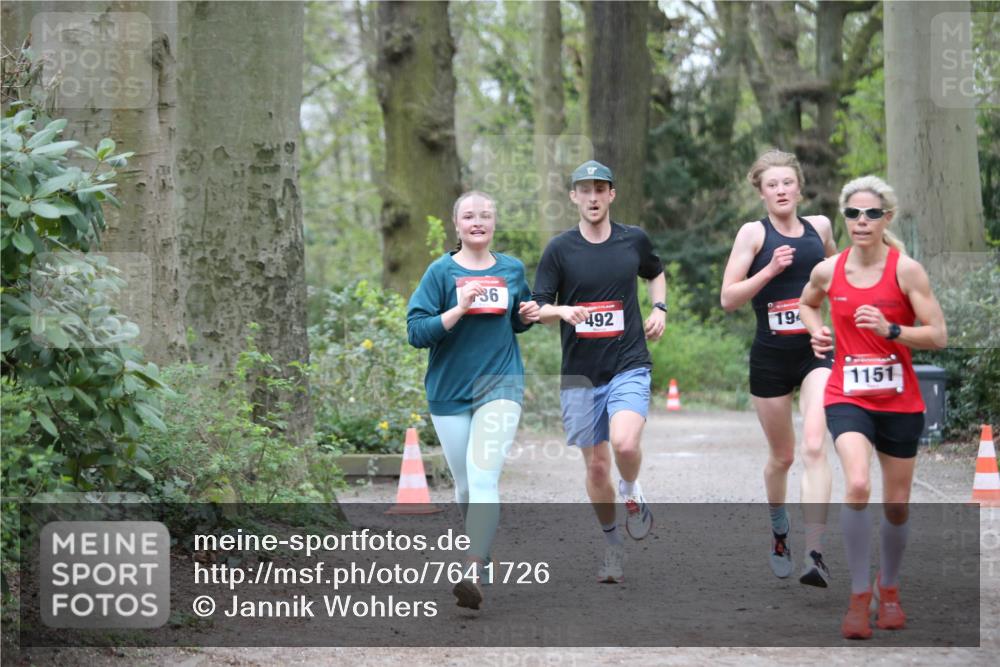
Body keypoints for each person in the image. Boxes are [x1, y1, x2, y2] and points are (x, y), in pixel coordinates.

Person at [798, 175, 947, 639]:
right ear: (844, 218)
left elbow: (938, 335)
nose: (862, 221)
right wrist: (815, 328)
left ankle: (891, 589)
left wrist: (892, 330)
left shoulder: (907, 271)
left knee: (897, 505)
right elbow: (807, 303)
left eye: (871, 213)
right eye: (853, 214)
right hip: (847, 395)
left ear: (887, 218)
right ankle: (860, 597)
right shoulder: (829, 269)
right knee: (858, 483)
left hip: (899, 400)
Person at [532, 160, 666, 584]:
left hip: (628, 361)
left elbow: (656, 272)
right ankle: (612, 548)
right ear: (573, 197)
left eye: (600, 189)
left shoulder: (633, 240)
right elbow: (536, 309)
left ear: (612, 195)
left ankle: (631, 489)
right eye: (584, 190)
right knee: (595, 469)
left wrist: (659, 307)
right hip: (580, 374)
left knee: (625, 445)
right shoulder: (560, 249)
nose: (592, 197)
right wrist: (562, 310)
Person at [407, 191, 541, 610]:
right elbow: (416, 332)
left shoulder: (512, 269)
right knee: (465, 486)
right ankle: (480, 547)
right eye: (469, 216)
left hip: (500, 385)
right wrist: (457, 310)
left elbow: (516, 323)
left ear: (494, 223)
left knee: (483, 477)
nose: (478, 221)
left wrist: (525, 316)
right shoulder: (439, 272)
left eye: (485, 215)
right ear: (457, 224)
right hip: (449, 390)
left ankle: (472, 568)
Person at [720, 149, 838, 586]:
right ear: (762, 192)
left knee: (813, 446)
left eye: (788, 182)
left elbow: (842, 279)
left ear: (799, 187)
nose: (781, 190)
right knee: (782, 457)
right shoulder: (753, 233)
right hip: (770, 357)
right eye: (772, 185)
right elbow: (728, 298)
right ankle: (779, 530)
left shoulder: (820, 228)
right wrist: (768, 270)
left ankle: (816, 552)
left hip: (815, 351)